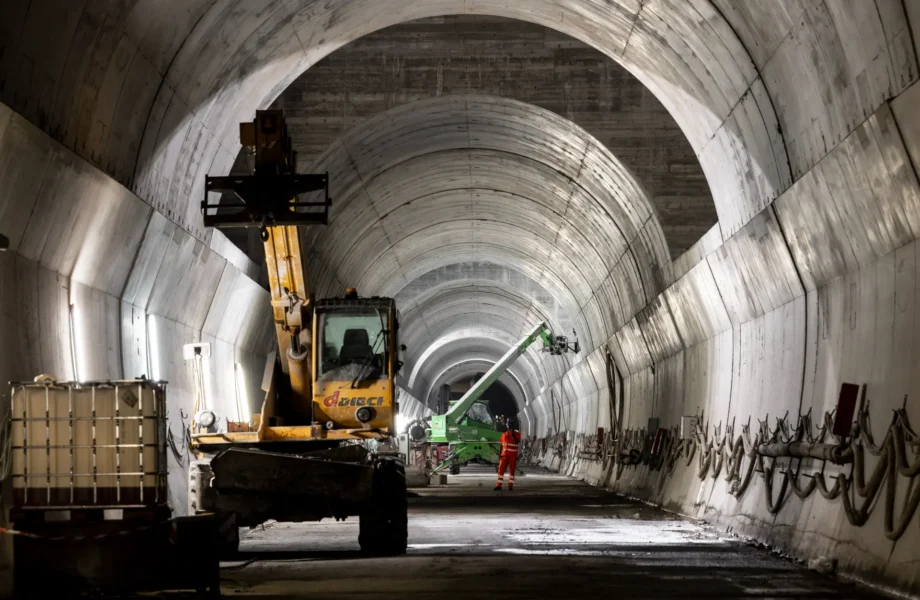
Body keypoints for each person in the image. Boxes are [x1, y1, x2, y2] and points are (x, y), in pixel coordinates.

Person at [494, 426, 522, 491]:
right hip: (504, 455)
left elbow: (517, 441)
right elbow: (501, 444)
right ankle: (498, 485)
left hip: (512, 456)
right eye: (510, 427)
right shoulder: (504, 434)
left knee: (512, 471)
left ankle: (510, 485)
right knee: (500, 470)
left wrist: (513, 435)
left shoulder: (517, 434)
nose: (511, 429)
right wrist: (500, 454)